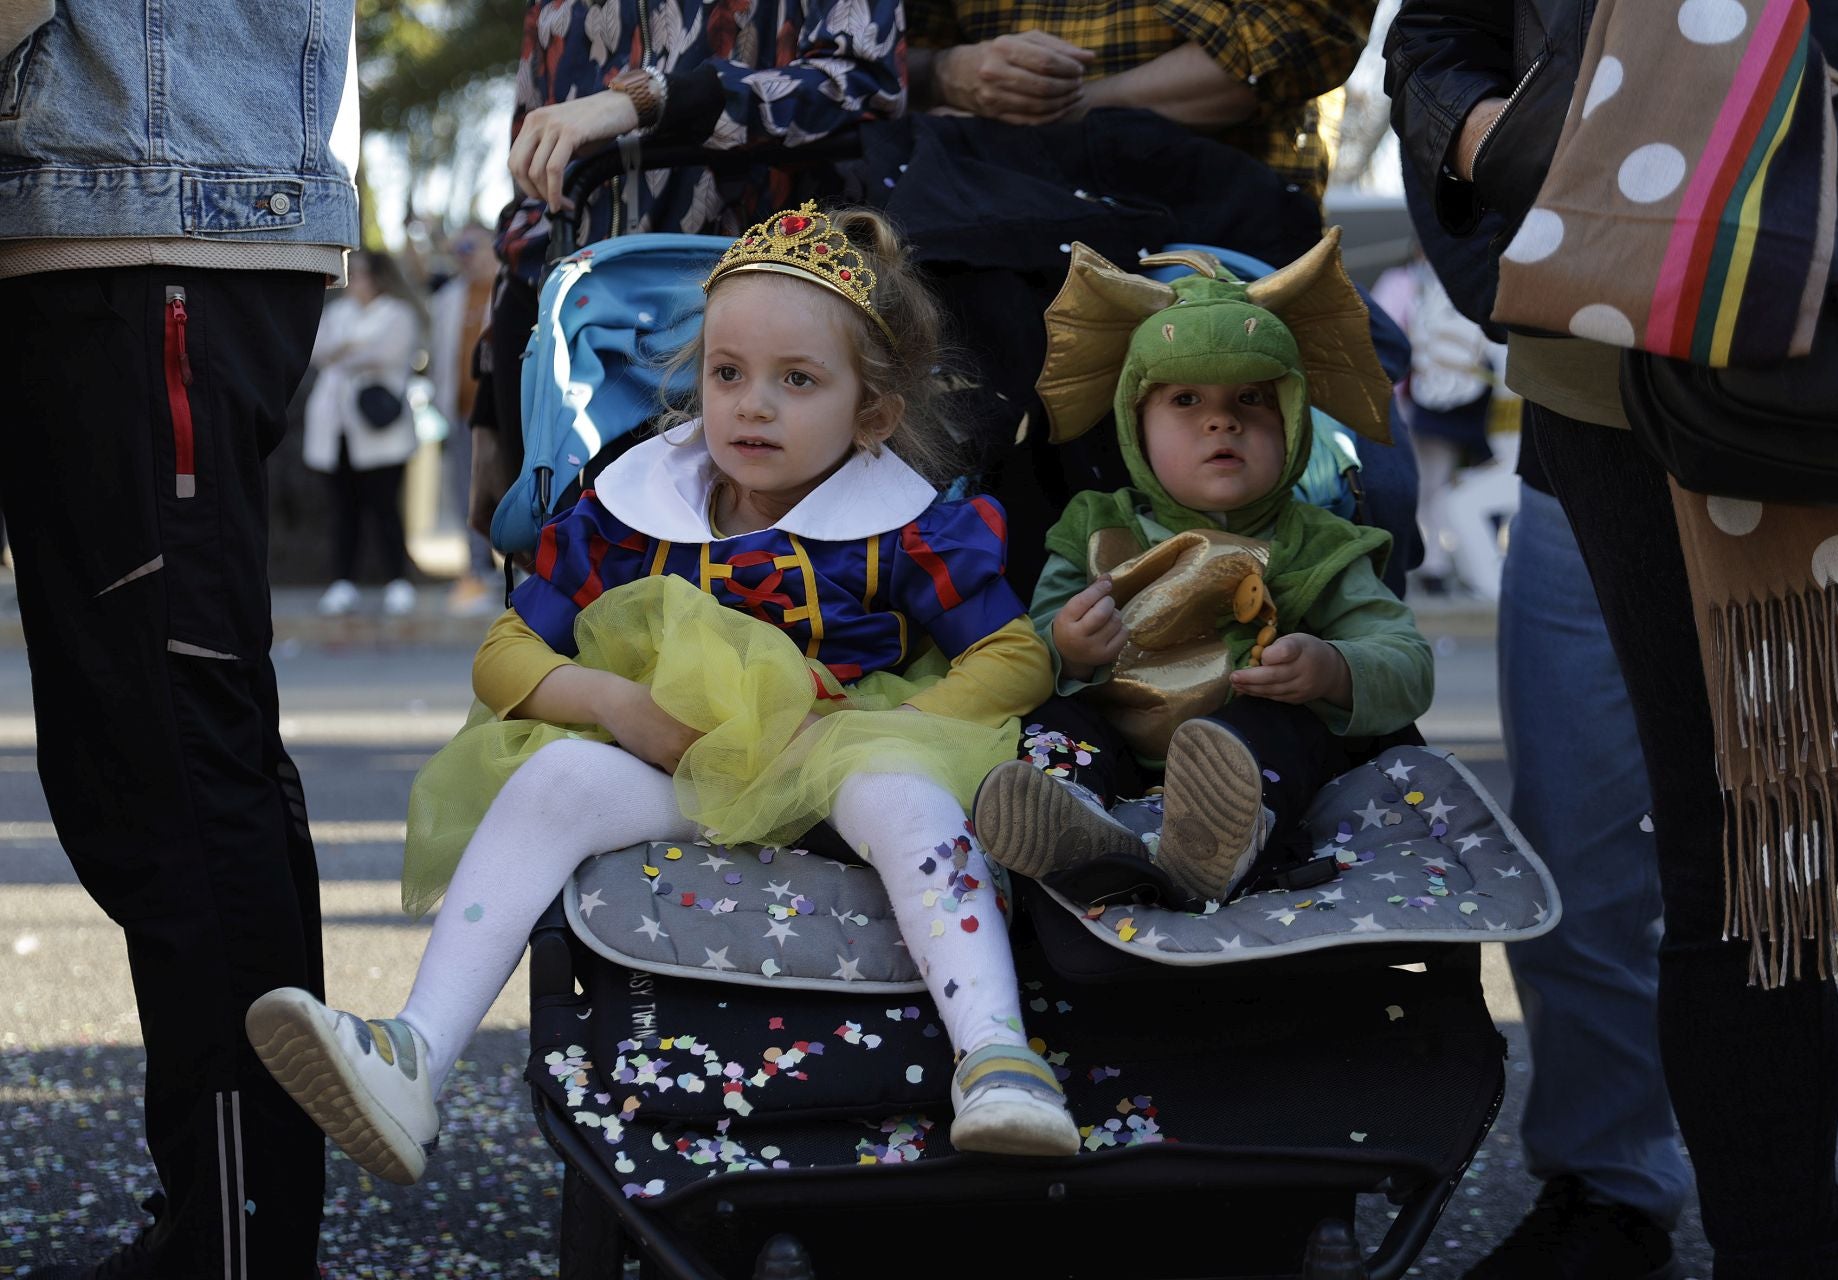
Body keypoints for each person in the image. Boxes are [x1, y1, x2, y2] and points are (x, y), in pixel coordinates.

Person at [246, 203, 1085, 1178]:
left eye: (796, 380)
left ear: (874, 415)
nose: (751, 405)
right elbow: (506, 654)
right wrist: (614, 706)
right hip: (680, 760)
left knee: (906, 793)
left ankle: (998, 1054)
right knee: (554, 779)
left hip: (835, 762)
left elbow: (1014, 656)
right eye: (727, 374)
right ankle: (417, 1053)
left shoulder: (901, 525)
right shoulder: (639, 507)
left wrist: (883, 724)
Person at [1387, 4, 1838, 1277]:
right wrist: (1523, 155)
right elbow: (1437, 41)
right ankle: (1755, 1244)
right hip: (1630, 383)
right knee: (1728, 867)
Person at [0, 1, 357, 1275]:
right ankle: (222, 1215)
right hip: (142, 202)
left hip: (148, 211)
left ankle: (241, 1235)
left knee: (180, 762)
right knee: (141, 763)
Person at [971, 240, 1433, 909]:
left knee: (1281, 725)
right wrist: (1065, 648)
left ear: (1295, 417)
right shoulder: (1096, 528)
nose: (1222, 420)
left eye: (1252, 397)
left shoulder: (1322, 544)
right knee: (1056, 715)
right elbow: (1030, 644)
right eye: (1185, 399)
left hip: (1250, 753)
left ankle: (1220, 837)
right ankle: (1071, 818)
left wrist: (1334, 668)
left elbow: (1408, 661)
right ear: (1135, 425)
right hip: (1118, 747)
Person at [465, 0, 909, 568]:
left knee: (772, 597)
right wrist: (490, 404)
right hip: (567, 337)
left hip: (764, 315)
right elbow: (530, 195)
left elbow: (865, 84)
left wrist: (644, 99)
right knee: (573, 596)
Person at [904, 0, 1377, 203]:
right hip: (987, 223)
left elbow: (1302, 36)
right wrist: (946, 72)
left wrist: (1065, 109)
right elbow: (862, 54)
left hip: (1215, 247)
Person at [304, 249, 425, 617]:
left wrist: (345, 352)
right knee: (343, 509)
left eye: (361, 275)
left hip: (379, 429)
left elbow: (387, 354)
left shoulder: (398, 313)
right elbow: (316, 350)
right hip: (336, 426)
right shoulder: (337, 313)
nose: (355, 282)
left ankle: (397, 581)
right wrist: (355, 350)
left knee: (385, 506)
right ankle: (342, 582)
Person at [429, 225, 502, 616]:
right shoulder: (448, 298)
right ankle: (477, 570)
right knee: (465, 495)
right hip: (459, 413)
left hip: (502, 416)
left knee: (503, 488)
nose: (464, 255)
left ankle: (516, 571)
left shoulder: (511, 291)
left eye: (471, 246)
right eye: (458, 249)